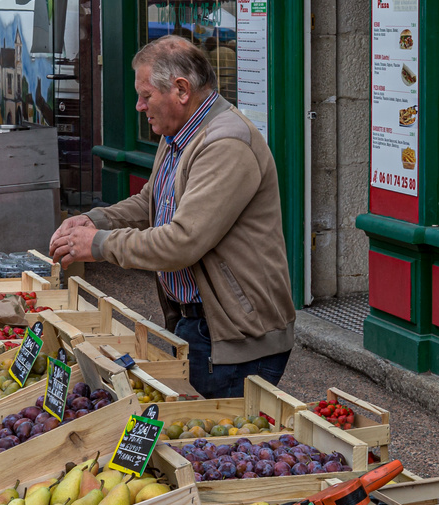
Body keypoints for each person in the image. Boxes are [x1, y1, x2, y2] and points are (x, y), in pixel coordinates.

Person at [48, 35, 294, 398]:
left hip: (235, 336)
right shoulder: (177, 132)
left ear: (181, 89)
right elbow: (154, 201)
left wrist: (98, 245)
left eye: (146, 96)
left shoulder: (226, 143)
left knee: (204, 444)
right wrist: (97, 221)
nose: (138, 106)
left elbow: (182, 241)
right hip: (197, 323)